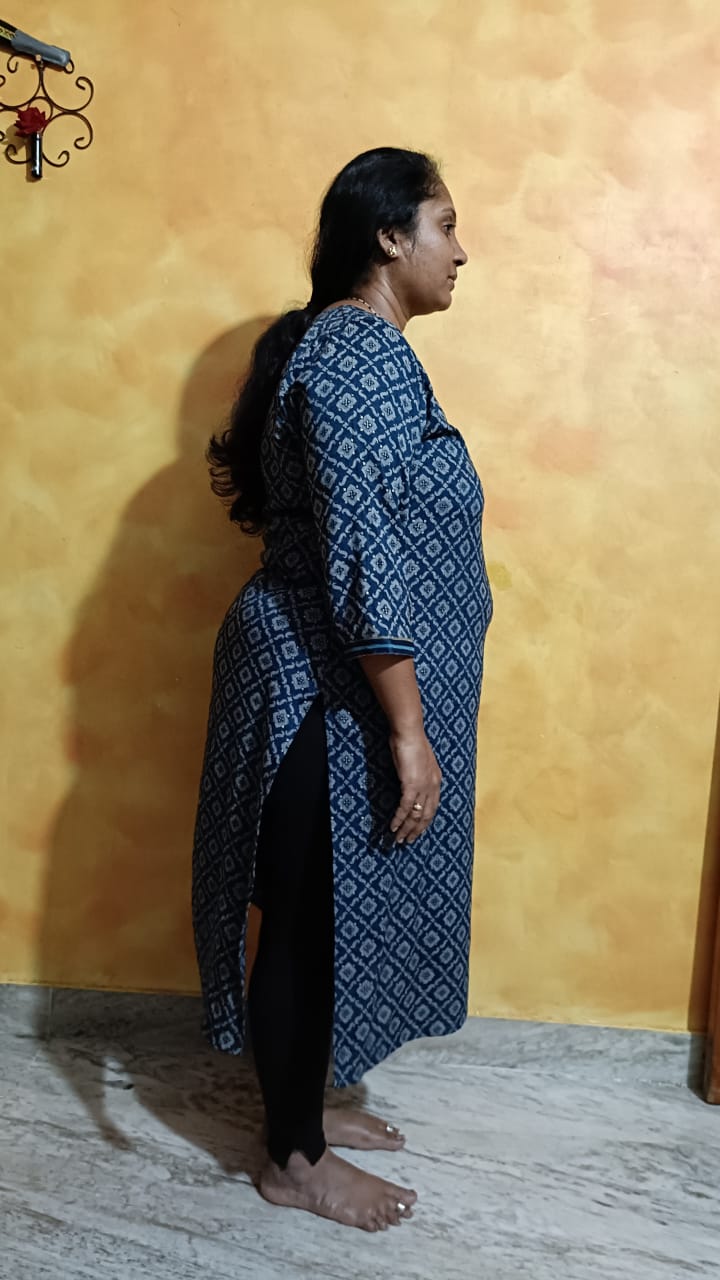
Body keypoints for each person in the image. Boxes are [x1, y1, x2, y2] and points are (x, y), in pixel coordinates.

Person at [192, 146, 494, 1232]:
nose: (461, 250)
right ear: (388, 236)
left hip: (334, 686)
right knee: (308, 916)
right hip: (317, 690)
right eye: (445, 225)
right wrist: (410, 730)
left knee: (328, 901)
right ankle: (291, 1157)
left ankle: (304, 1102)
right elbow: (362, 548)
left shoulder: (358, 351)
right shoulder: (358, 352)